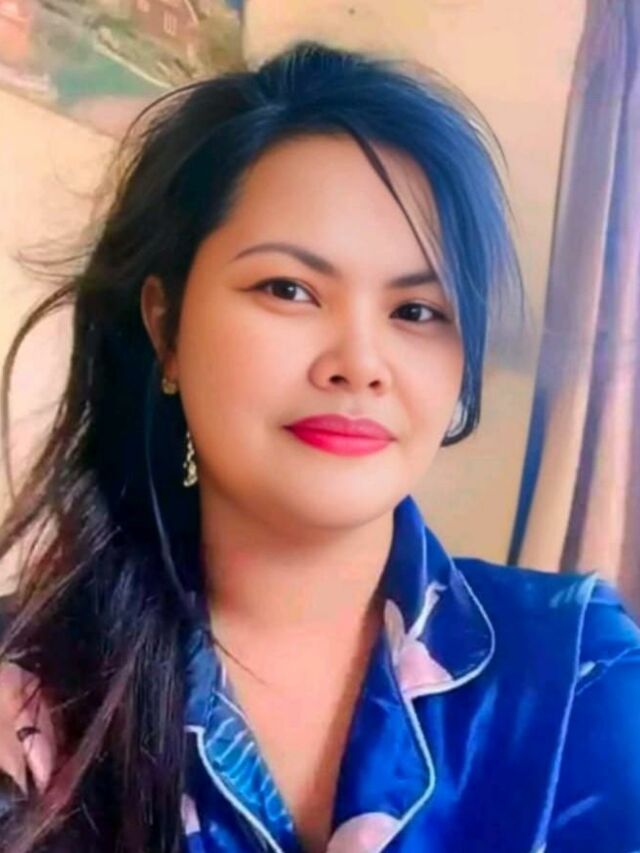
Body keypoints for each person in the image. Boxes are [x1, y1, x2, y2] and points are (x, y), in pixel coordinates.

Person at [0, 38, 638, 853]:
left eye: (416, 311)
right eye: (289, 289)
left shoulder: (576, 674)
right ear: (166, 326)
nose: (360, 363)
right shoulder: (27, 692)